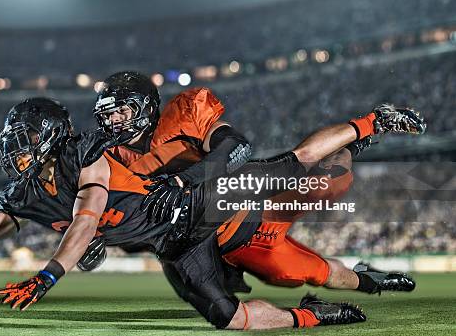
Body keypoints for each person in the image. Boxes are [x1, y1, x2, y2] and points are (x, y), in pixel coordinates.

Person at [0, 97, 368, 330]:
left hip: (199, 199)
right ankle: (311, 316)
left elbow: (87, 217)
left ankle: (364, 127)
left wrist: (48, 276)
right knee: (228, 317)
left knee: (292, 166)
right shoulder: (24, 192)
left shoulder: (81, 152)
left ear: (49, 134)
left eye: (24, 139)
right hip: (176, 240)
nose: (15, 151)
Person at [82, 71, 421, 296]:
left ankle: (371, 124)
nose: (112, 121)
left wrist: (185, 180)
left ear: (143, 107)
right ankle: (368, 280)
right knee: (294, 275)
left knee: (330, 182)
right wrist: (92, 239)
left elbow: (234, 146)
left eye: (120, 112)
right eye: (107, 115)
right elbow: (100, 211)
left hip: (245, 200)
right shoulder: (105, 161)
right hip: (224, 243)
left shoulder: (182, 115)